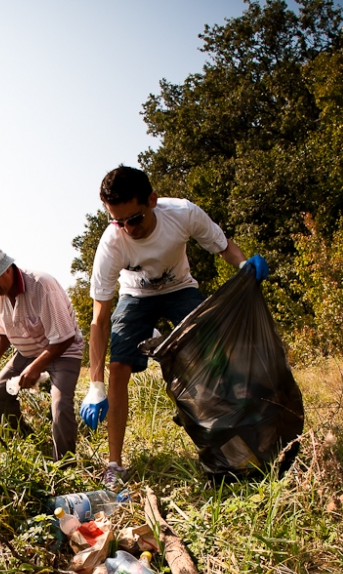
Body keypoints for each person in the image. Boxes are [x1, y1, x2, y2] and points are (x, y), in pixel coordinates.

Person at [80, 165, 268, 487]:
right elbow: (99, 318)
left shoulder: (182, 214)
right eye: (118, 221)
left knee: (213, 354)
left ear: (152, 200)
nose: (127, 228)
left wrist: (244, 264)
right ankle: (115, 464)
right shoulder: (112, 244)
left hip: (180, 288)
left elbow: (222, 246)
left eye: (134, 219)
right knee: (119, 366)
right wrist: (95, 384)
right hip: (136, 296)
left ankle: (231, 444)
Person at [0, 243, 84, 460]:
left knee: (60, 405)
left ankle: (64, 465)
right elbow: (4, 332)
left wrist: (36, 367)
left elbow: (65, 337)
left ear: (6, 269)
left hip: (64, 351)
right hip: (27, 353)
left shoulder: (42, 286)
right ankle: (29, 447)